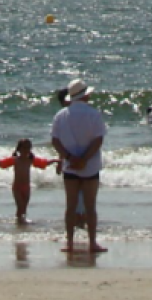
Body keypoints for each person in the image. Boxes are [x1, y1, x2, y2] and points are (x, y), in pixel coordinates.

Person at [51, 79, 109, 253]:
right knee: (90, 206)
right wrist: (84, 158)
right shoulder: (94, 114)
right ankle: (92, 242)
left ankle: (69, 243)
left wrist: (69, 157)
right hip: (90, 165)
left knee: (70, 206)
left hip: (70, 165)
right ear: (85, 95)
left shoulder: (61, 115)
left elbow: (55, 140)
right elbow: (98, 139)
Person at [0, 138, 57, 224]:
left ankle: (21, 222)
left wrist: (54, 160)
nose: (26, 150)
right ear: (19, 149)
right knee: (20, 206)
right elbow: (2, 164)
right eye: (24, 148)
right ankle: (19, 221)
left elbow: (43, 163)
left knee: (24, 208)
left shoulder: (31, 160)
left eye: (28, 148)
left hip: (27, 187)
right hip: (17, 187)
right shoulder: (15, 159)